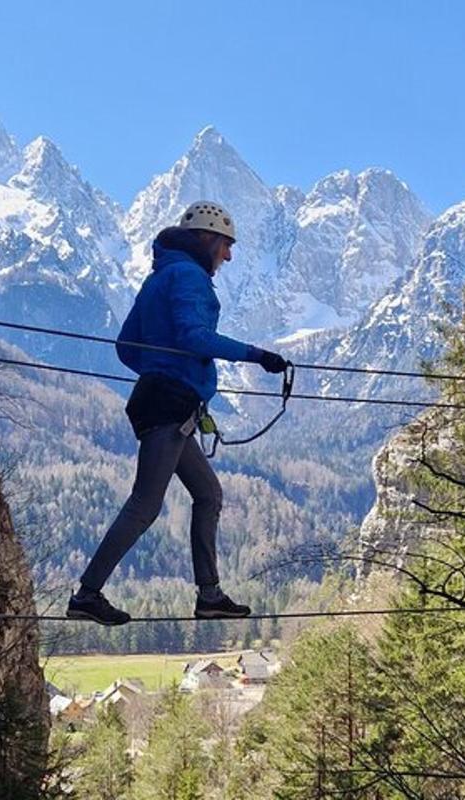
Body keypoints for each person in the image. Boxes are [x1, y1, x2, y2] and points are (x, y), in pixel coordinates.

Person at [66, 201, 289, 626]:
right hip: (171, 406)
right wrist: (257, 356)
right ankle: (88, 594)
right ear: (207, 239)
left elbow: (126, 346)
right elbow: (194, 336)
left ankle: (210, 595)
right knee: (144, 505)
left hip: (162, 402)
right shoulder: (190, 276)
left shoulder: (159, 277)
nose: (228, 255)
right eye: (225, 244)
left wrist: (158, 370)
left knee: (209, 494)